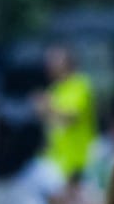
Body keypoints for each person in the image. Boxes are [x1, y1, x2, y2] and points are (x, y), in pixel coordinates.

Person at [41, 45, 98, 185]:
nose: (49, 65)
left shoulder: (80, 85)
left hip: (77, 162)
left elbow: (71, 116)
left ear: (67, 63)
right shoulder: (55, 90)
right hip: (56, 162)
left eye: (54, 60)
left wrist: (47, 108)